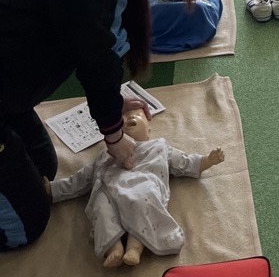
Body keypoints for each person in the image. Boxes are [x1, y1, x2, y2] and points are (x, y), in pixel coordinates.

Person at [0, 0, 204, 251]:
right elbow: (96, 59)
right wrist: (112, 134)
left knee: (45, 170)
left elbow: (96, 47)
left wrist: (113, 101)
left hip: (9, 82)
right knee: (25, 226)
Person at [50, 105, 225, 267]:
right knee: (101, 206)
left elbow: (184, 162)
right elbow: (81, 179)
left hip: (143, 184)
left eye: (136, 114)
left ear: (149, 129)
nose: (129, 117)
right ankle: (114, 247)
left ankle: (135, 247)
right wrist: (53, 189)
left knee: (143, 199)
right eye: (122, 117)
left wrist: (207, 160)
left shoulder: (159, 146)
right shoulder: (106, 154)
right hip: (109, 189)